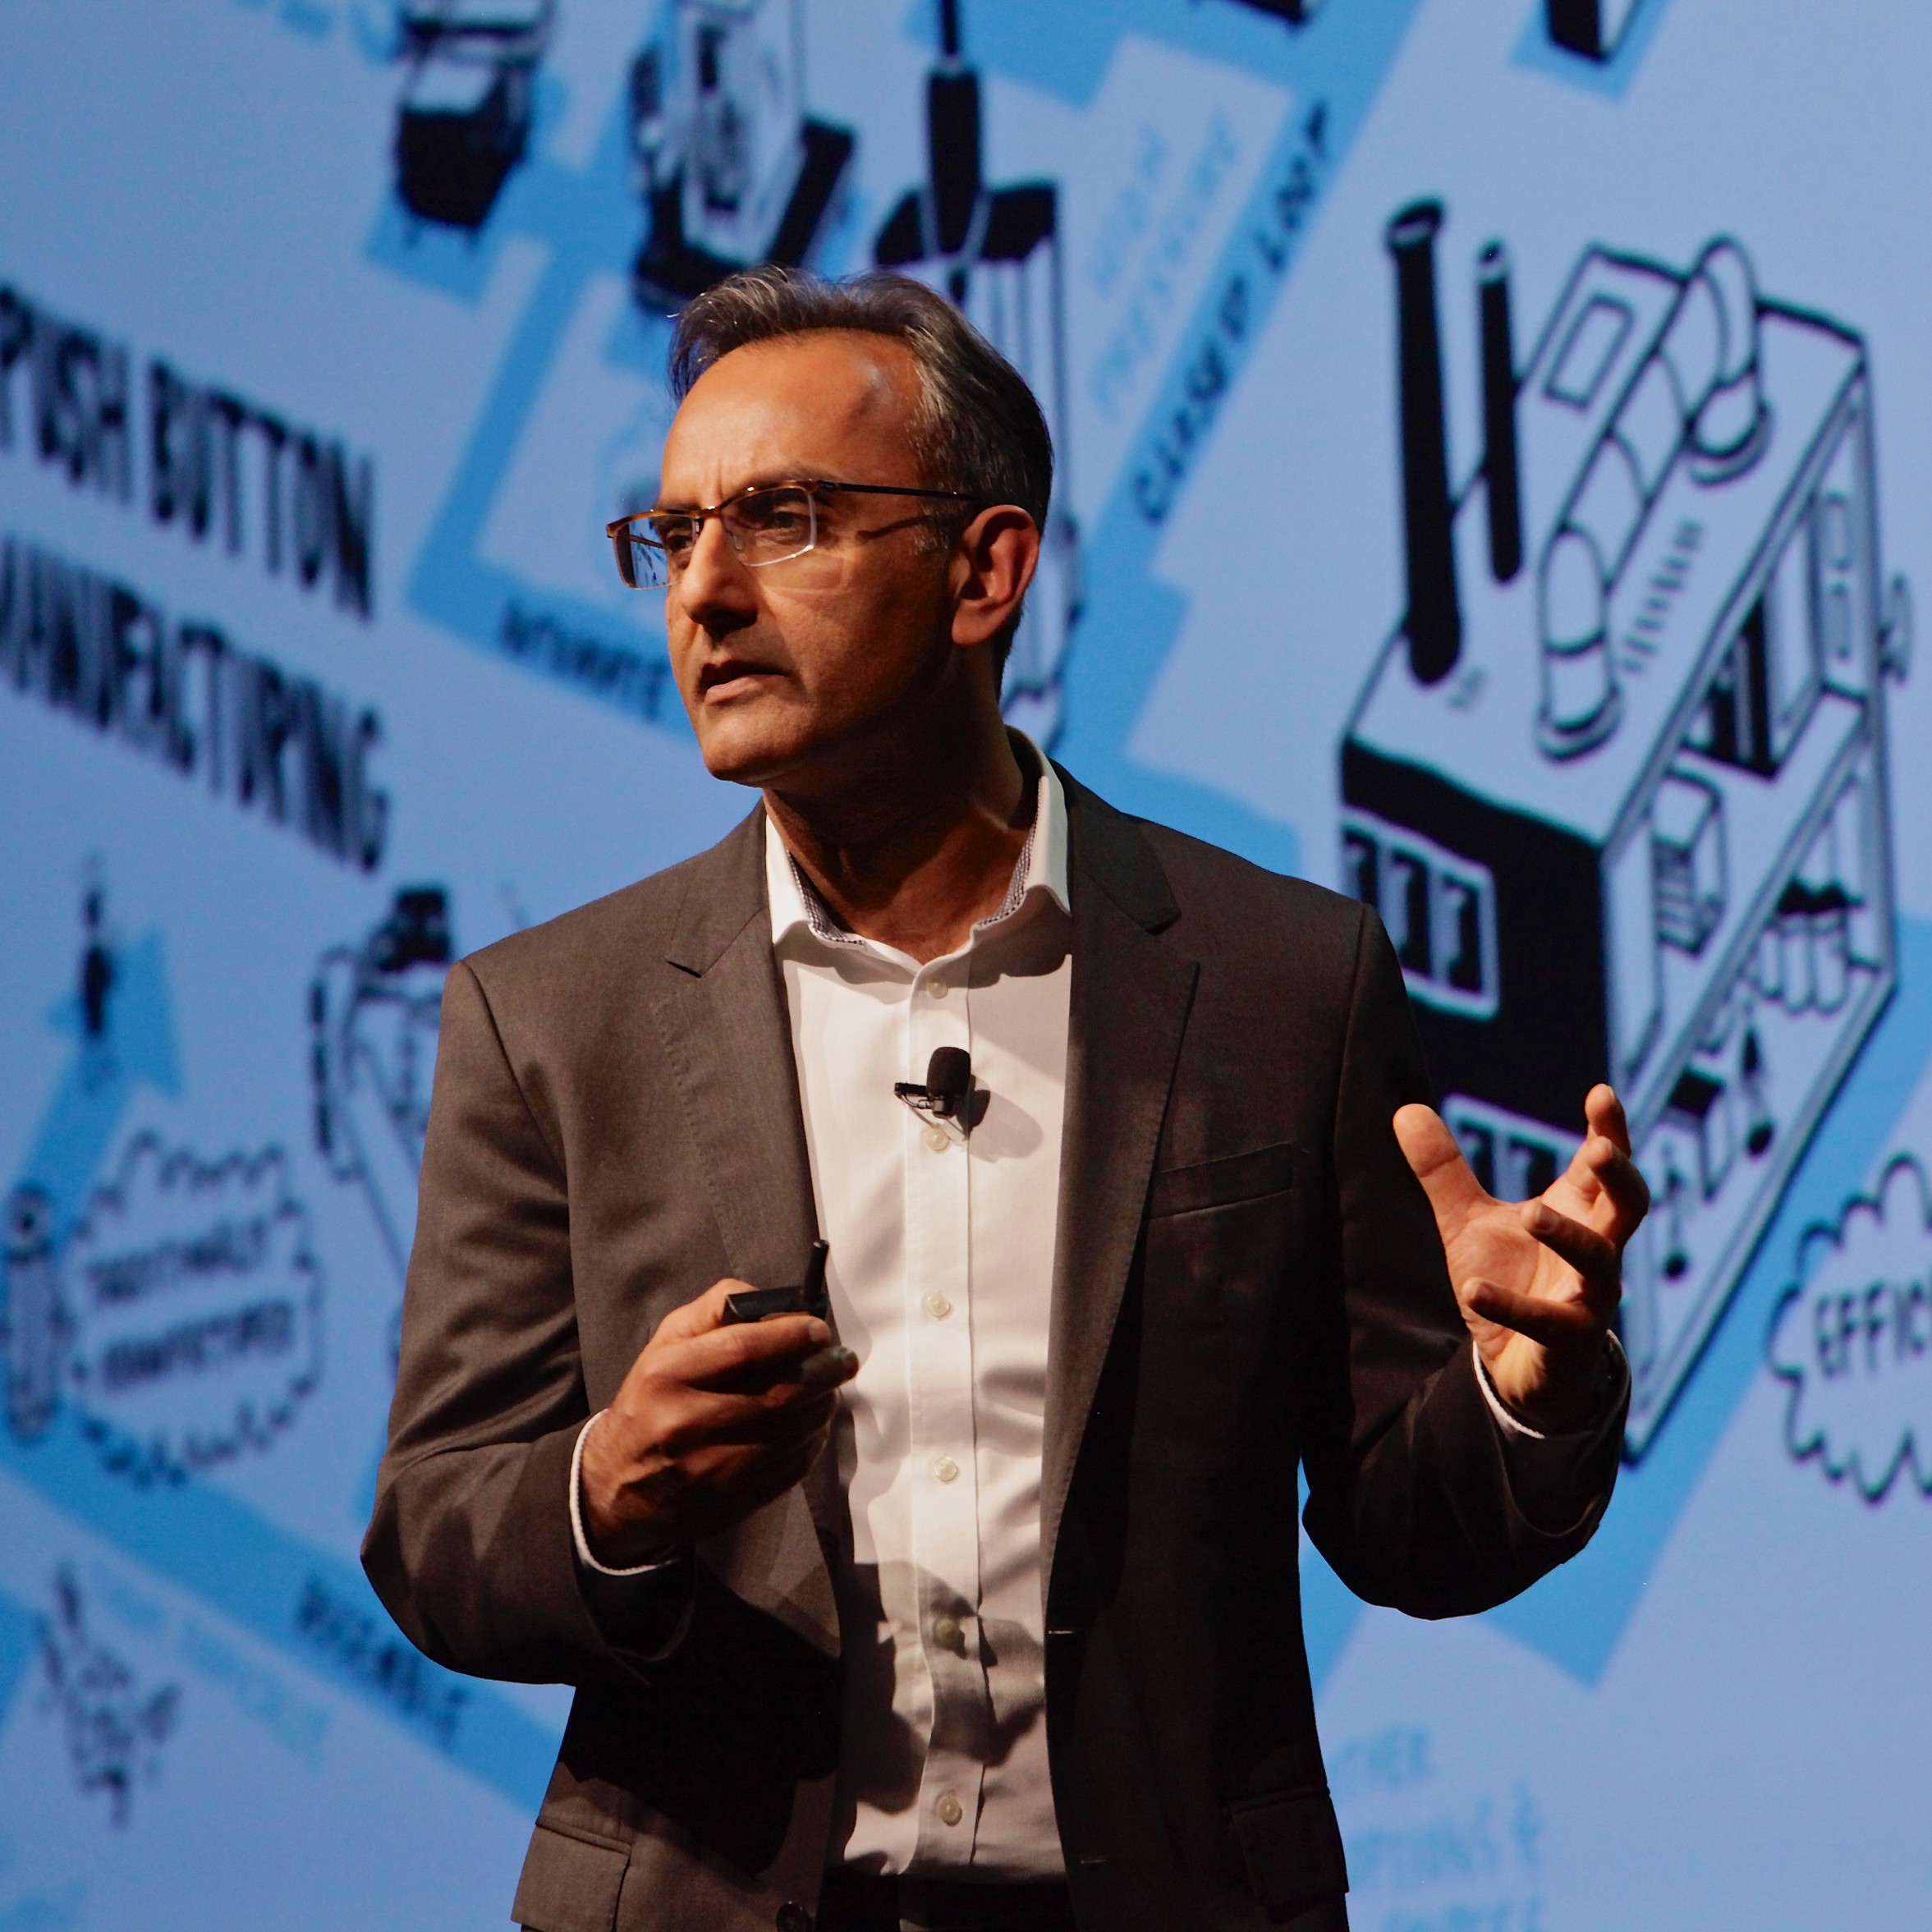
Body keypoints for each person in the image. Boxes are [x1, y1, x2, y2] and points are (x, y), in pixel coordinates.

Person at [363, 268, 1646, 1932]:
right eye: (672, 537)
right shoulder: (552, 1017)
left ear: (986, 569)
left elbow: (1415, 1528)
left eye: (783, 519)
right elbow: (438, 1523)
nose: (707, 593)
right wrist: (607, 1490)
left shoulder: (1280, 980)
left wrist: (1526, 1393)